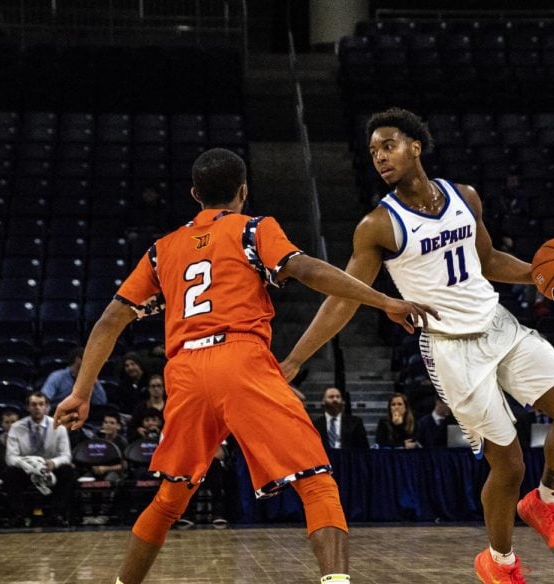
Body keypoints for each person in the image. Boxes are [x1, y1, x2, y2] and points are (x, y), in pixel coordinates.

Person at [53, 147, 435, 584]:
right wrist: (384, 299)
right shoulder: (254, 229)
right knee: (316, 481)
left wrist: (81, 391)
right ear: (243, 191)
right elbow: (306, 269)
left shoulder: (162, 250)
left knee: (170, 498)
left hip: (185, 370)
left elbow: (109, 320)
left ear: (196, 194)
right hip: (240, 359)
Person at [279, 108, 554, 583]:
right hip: (451, 350)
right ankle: (500, 563)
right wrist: (297, 358)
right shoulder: (378, 226)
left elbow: (486, 260)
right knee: (507, 465)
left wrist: (538, 273)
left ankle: (545, 503)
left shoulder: (463, 196)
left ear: (416, 147)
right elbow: (343, 298)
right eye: (373, 152)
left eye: (388, 145)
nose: (380, 157)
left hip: (499, 325)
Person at [4, 392, 75, 527]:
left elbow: (66, 455)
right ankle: (18, 515)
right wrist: (28, 464)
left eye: (41, 404)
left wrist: (54, 463)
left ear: (47, 407)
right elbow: (10, 457)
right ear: (28, 407)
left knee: (67, 471)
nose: (37, 407)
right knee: (10, 472)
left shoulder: (58, 426)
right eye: (34, 404)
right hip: (26, 470)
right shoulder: (16, 427)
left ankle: (57, 514)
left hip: (50, 469)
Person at [40, 346, 108, 409]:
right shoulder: (57, 376)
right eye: (88, 359)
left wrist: (94, 382)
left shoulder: (90, 379)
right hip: (57, 412)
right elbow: (44, 398)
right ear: (78, 360)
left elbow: (101, 402)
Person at [128, 373, 167, 441]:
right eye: (153, 386)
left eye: (159, 386)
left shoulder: (170, 406)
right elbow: (131, 430)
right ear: (149, 389)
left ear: (163, 388)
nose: (156, 389)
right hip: (144, 443)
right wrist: (138, 431)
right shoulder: (140, 408)